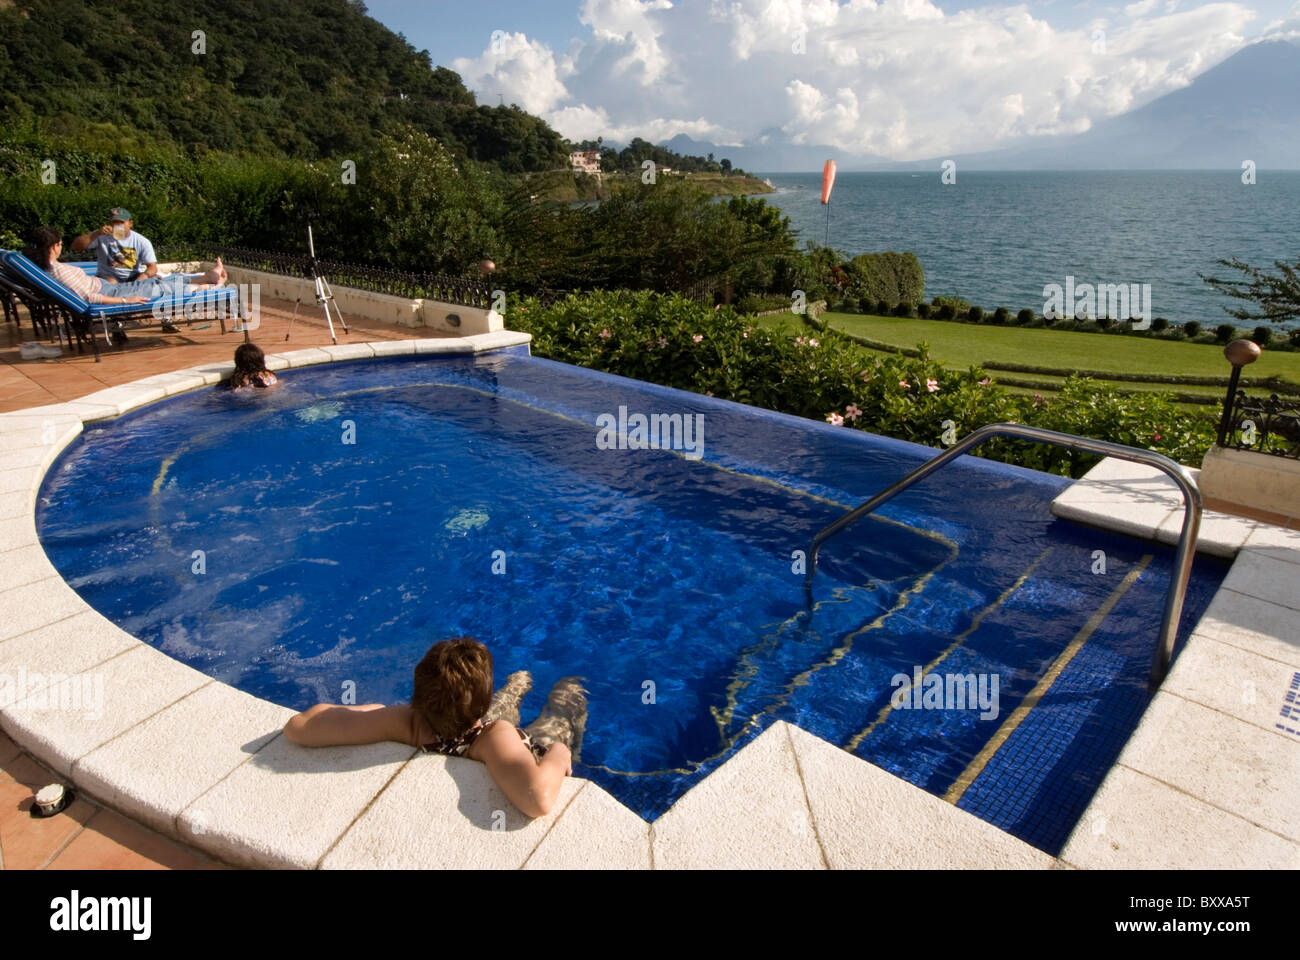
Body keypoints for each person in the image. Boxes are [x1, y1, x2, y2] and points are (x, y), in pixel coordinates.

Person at [283, 637, 587, 819]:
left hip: (459, 723)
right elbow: (538, 800)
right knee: (568, 697)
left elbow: (299, 727)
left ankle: (514, 689)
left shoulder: (401, 720)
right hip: (510, 743)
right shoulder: (495, 737)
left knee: (497, 712)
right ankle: (522, 689)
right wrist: (559, 754)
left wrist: (370, 710)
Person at [24, 226, 228, 339]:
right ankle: (209, 287)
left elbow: (152, 268)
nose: (117, 228)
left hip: (108, 285)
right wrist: (125, 300)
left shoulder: (45, 268)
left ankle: (209, 278)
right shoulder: (58, 271)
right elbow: (89, 297)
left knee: (158, 281)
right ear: (53, 246)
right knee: (160, 286)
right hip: (108, 290)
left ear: (130, 223)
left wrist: (140, 278)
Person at [70, 207, 158, 283]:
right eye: (115, 222)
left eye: (121, 222)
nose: (118, 226)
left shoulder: (141, 241)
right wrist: (95, 234)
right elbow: (75, 246)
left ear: (130, 223)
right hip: (107, 278)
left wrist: (143, 277)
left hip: (133, 277)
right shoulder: (101, 236)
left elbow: (152, 267)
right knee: (111, 281)